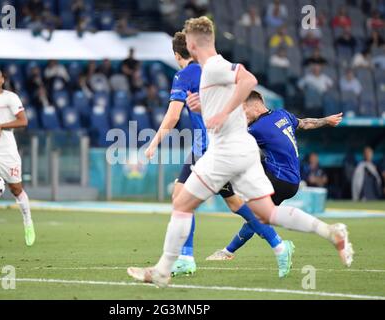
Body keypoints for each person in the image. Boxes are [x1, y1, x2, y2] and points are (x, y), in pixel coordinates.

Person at [127, 16, 353, 287]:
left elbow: (249, 80)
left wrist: (220, 113)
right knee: (265, 212)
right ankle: (328, 233)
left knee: (181, 203)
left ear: (195, 43)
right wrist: (208, 108)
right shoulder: (211, 68)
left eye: (188, 41)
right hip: (241, 150)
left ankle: (169, 266)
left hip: (225, 152)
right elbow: (232, 94)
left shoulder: (213, 67)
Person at [144, 32, 292, 279]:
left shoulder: (184, 74)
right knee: (230, 202)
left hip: (208, 148)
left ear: (177, 55)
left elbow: (172, 116)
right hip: (218, 144)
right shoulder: (214, 69)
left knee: (182, 198)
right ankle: (278, 244)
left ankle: (186, 258)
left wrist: (153, 143)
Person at [186, 92, 342, 262]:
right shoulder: (283, 114)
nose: (243, 116)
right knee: (256, 217)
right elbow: (305, 123)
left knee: (231, 186)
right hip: (291, 181)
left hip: (278, 177)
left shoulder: (256, 128)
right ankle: (227, 252)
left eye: (243, 111)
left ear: (254, 105)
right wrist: (327, 120)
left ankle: (279, 245)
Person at [0, 68, 36, 248]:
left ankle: (28, 222)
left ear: (2, 80)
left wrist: (0, 125)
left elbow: (23, 121)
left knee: (16, 189)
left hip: (7, 150)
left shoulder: (10, 98)